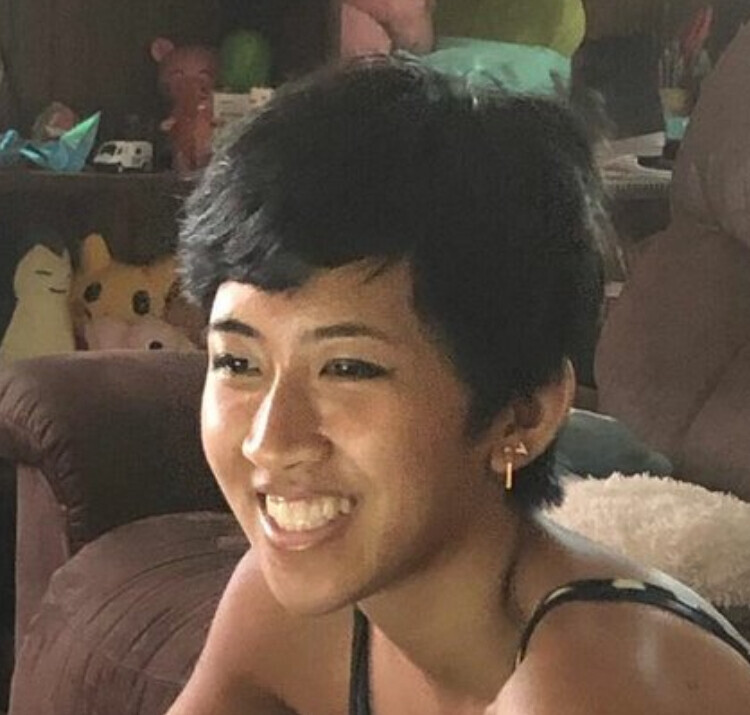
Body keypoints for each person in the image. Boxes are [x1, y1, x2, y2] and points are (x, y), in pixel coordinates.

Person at [169, 55, 750, 714]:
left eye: (349, 368)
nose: (269, 440)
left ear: (523, 415)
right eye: (237, 362)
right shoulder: (288, 615)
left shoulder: (597, 684)